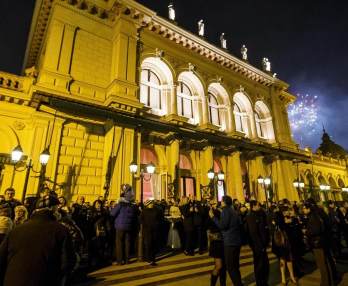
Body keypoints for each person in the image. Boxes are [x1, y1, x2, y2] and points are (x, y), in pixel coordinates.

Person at [0, 194, 76, 286]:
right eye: (57, 208)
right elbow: (68, 261)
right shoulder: (60, 230)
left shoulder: (17, 229)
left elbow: (2, 257)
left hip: (13, 280)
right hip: (44, 280)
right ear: (52, 209)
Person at [210, 196, 243, 286]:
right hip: (226, 241)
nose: (217, 203)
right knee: (230, 266)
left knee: (231, 267)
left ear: (223, 202)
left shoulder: (225, 211)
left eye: (218, 202)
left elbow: (222, 226)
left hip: (229, 242)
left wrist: (213, 217)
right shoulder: (231, 210)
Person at [302, 202, 335, 286]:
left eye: (304, 208)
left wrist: (306, 232)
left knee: (322, 264)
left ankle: (325, 282)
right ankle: (330, 281)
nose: (303, 210)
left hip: (317, 243)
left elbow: (316, 230)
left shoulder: (313, 216)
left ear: (309, 209)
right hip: (321, 241)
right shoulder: (316, 214)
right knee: (325, 262)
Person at [110, 185, 139, 265]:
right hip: (129, 226)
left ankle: (119, 260)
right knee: (127, 243)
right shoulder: (132, 206)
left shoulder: (120, 205)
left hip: (120, 227)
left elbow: (112, 214)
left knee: (119, 243)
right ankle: (127, 260)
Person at [245, 200, 270, 286]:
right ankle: (260, 283)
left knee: (264, 264)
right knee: (260, 265)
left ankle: (264, 282)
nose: (260, 206)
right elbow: (253, 233)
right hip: (257, 246)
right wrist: (260, 245)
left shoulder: (260, 214)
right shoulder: (250, 216)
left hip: (262, 244)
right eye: (258, 205)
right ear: (253, 206)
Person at [208, 201, 226, 286]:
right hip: (216, 242)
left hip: (223, 241)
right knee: (219, 266)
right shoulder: (212, 214)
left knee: (223, 267)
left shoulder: (223, 213)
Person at [140, 200, 163, 266]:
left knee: (153, 244)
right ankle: (149, 258)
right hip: (147, 230)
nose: (152, 204)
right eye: (151, 203)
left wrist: (157, 224)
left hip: (154, 230)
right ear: (148, 205)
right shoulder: (144, 211)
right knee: (148, 245)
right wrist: (145, 225)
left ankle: (152, 258)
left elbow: (160, 218)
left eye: (152, 203)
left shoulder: (156, 210)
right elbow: (141, 220)